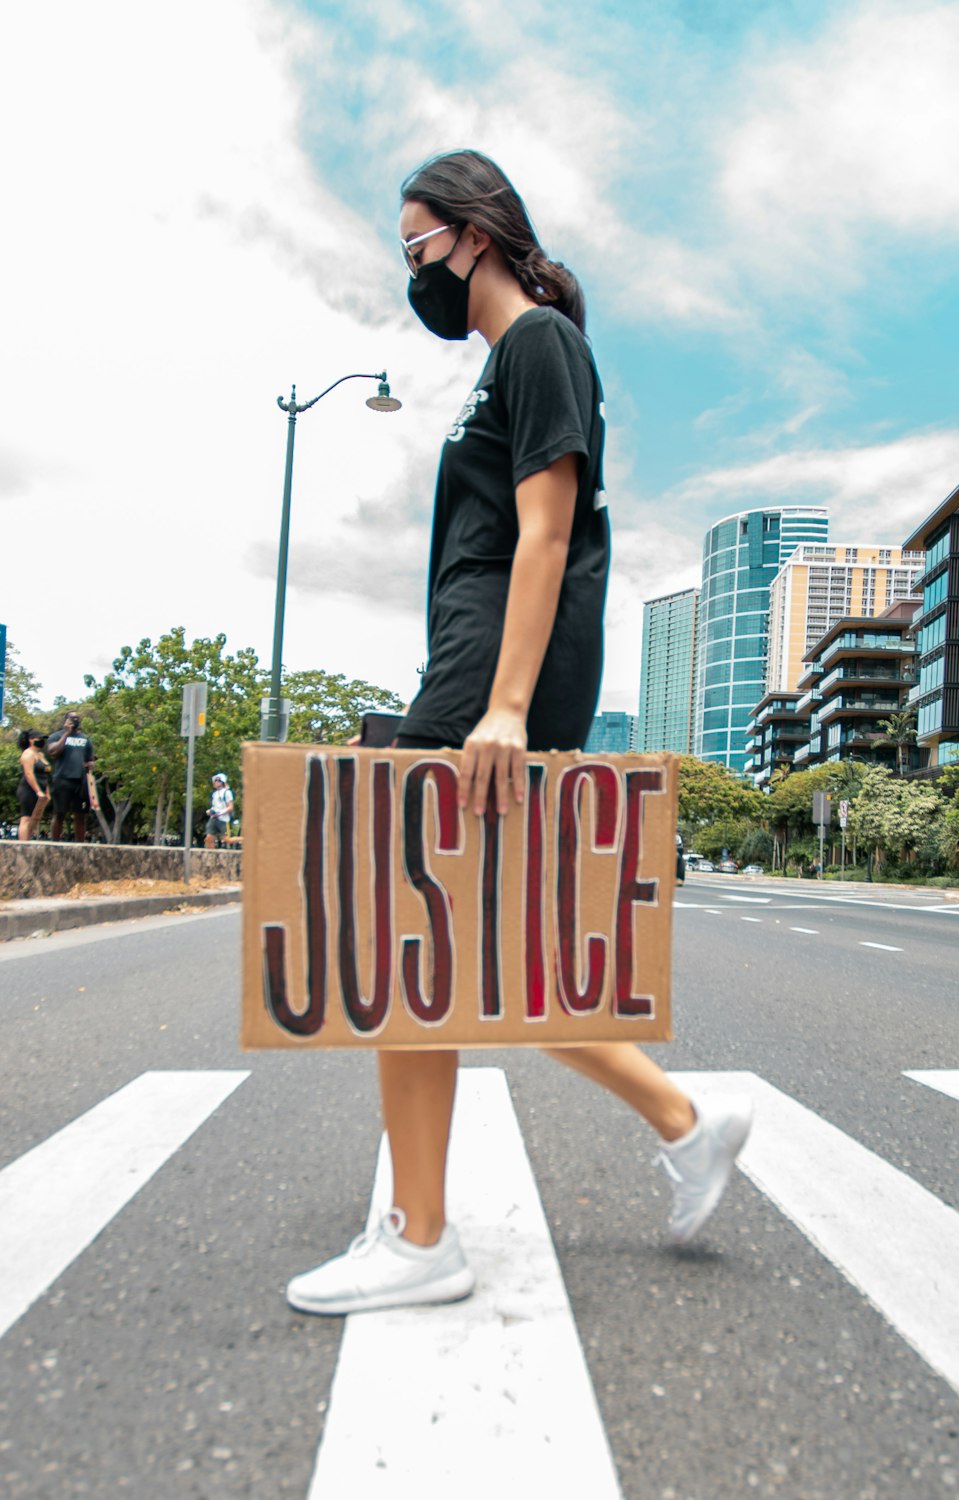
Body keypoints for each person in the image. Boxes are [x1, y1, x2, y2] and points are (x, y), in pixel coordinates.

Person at [286, 150, 752, 1318]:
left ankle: (421, 1235)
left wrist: (499, 703)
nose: (413, 272)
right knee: (461, 950)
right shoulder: (510, 362)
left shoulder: (539, 345)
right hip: (475, 664)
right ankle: (680, 1123)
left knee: (403, 934)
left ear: (471, 235)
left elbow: (544, 535)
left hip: (493, 677)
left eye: (415, 247)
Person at [46, 712, 95, 843]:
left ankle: (80, 845)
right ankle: (55, 843)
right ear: (66, 720)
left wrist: (90, 764)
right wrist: (66, 734)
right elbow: (52, 752)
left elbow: (90, 758)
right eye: (72, 718)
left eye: (77, 718)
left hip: (80, 781)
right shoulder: (56, 736)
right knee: (59, 813)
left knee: (80, 815)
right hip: (62, 780)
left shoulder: (85, 739)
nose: (75, 720)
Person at [16, 729, 50, 840]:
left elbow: (47, 774)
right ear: (31, 740)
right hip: (29, 790)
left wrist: (47, 791)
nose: (41, 741)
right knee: (26, 818)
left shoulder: (40, 754)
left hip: (42, 790)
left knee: (34, 819)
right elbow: (28, 773)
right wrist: (38, 791)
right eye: (39, 738)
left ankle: (29, 841)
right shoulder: (28, 753)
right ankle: (23, 845)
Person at [205, 772, 234, 849]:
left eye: (217, 780)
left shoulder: (227, 792)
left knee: (227, 840)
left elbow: (230, 807)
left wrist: (220, 813)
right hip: (213, 818)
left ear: (222, 782)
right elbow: (214, 807)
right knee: (209, 838)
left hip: (223, 820)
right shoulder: (215, 794)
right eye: (215, 780)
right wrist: (210, 811)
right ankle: (212, 855)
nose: (215, 782)